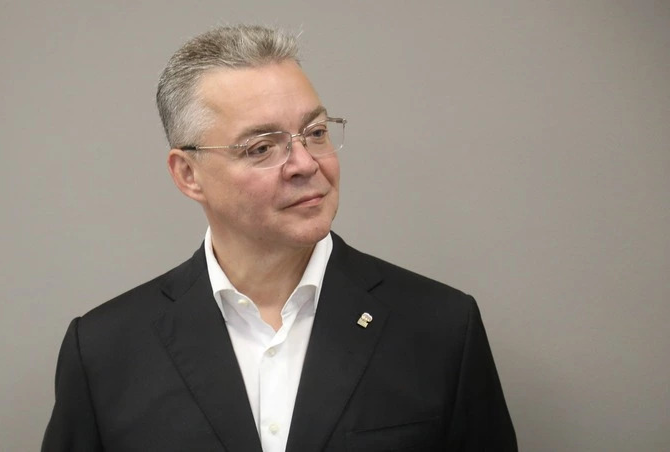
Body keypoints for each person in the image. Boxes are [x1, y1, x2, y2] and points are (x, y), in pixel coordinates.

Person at [42, 25, 517, 451]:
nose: (306, 163)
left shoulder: (441, 328)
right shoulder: (105, 350)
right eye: (262, 147)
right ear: (188, 174)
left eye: (315, 132)